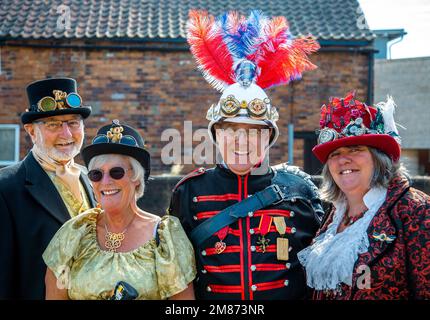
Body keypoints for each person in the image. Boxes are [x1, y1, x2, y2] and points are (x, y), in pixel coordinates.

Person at [168, 10, 323, 300]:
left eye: (253, 131)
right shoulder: (189, 193)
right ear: (216, 135)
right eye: (230, 130)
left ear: (269, 137)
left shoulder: (301, 190)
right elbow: (175, 274)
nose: (241, 140)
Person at [43, 120, 196, 300]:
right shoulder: (73, 234)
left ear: (137, 178)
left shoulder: (165, 238)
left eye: (116, 172)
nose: (105, 181)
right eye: (96, 174)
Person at [298, 92, 430, 299]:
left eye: (355, 149)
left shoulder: (416, 210)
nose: (343, 160)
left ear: (378, 158)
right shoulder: (333, 216)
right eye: (334, 154)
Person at [0, 78, 96, 299]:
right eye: (53, 124)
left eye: (73, 122)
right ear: (32, 131)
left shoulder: (94, 178)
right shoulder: (6, 188)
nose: (66, 134)